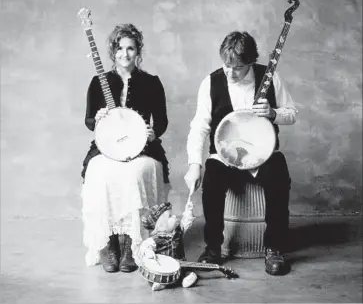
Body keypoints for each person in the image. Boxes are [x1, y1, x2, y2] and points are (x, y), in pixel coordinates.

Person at [184, 30, 297, 276]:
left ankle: (274, 247)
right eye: (227, 66)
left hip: (263, 155)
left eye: (238, 67)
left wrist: (274, 113)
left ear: (251, 62)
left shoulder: (269, 77)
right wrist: (195, 164)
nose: (231, 73)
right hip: (225, 156)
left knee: (279, 174)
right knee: (212, 179)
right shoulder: (210, 82)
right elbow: (199, 127)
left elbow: (292, 114)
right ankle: (212, 247)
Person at [81, 23, 170, 273]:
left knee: (133, 174)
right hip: (106, 147)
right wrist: (97, 119)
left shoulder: (152, 82)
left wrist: (153, 134)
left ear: (138, 51)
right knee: (100, 174)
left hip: (142, 147)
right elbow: (88, 120)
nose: (125, 54)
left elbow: (161, 122)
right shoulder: (99, 82)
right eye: (120, 48)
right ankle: (111, 244)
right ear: (112, 51)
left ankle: (131, 244)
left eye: (130, 48)